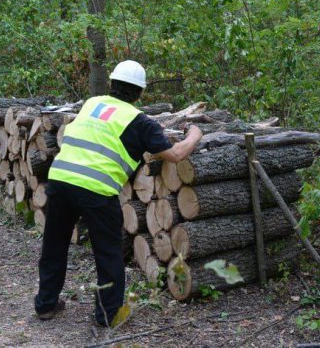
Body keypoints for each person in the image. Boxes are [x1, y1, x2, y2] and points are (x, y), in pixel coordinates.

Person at [34, 60, 203, 326]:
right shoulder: (140, 122)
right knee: (108, 253)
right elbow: (176, 154)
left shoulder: (92, 104)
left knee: (54, 246)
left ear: (112, 84)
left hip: (60, 179)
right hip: (96, 191)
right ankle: (107, 315)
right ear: (139, 93)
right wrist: (194, 135)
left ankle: (45, 305)